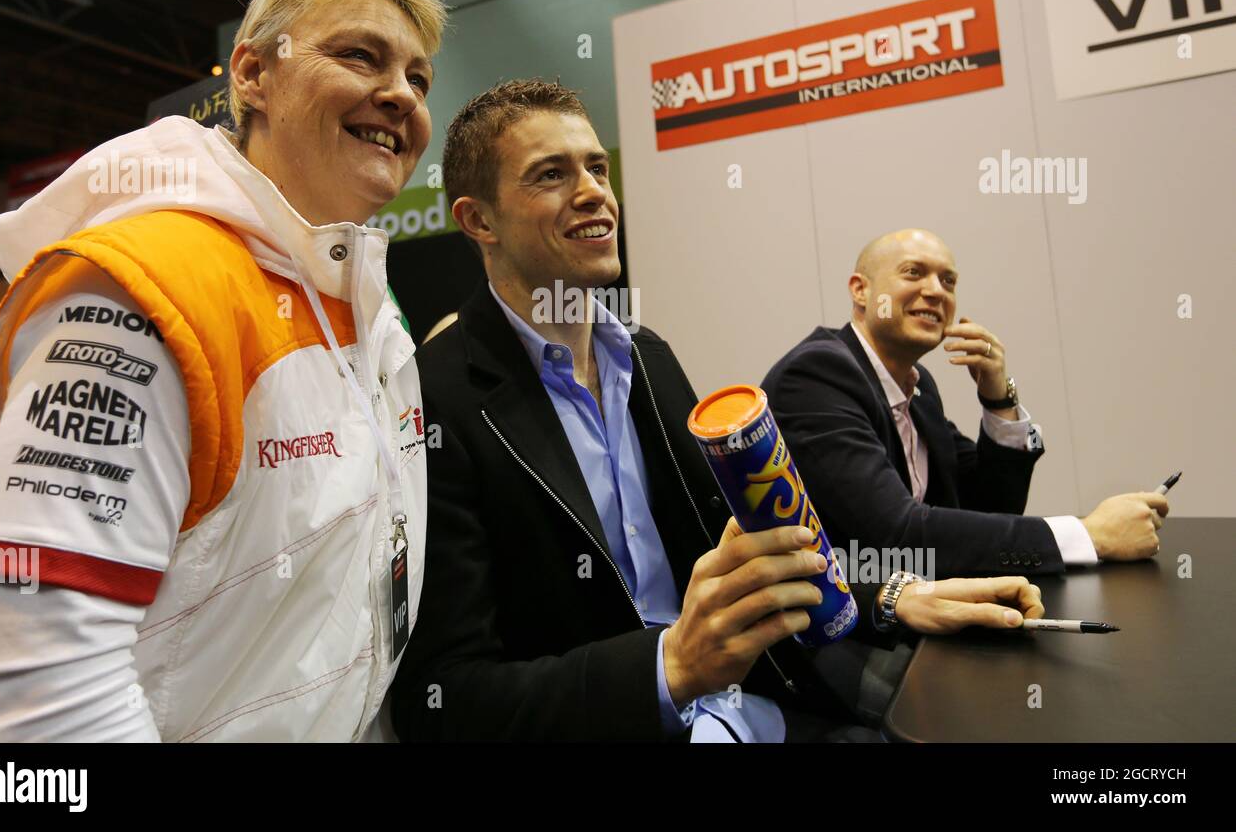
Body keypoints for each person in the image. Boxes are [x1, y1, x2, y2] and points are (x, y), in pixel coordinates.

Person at [390, 80, 1044, 742]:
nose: (594, 193)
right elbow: (446, 699)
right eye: (551, 175)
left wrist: (899, 595)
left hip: (758, 700)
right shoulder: (437, 400)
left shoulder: (646, 355)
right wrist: (669, 668)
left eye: (597, 167)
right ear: (479, 221)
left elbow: (750, 544)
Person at [0, 0, 446, 741]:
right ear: (250, 74)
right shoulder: (137, 293)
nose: (400, 96)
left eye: (419, 79)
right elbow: (38, 690)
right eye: (360, 55)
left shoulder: (368, 306)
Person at [762, 228, 1168, 579]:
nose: (936, 291)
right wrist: (1088, 535)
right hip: (840, 636)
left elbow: (991, 508)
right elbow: (895, 536)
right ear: (860, 289)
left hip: (929, 612)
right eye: (914, 272)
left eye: (949, 281)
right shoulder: (818, 373)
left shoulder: (919, 390)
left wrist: (997, 399)